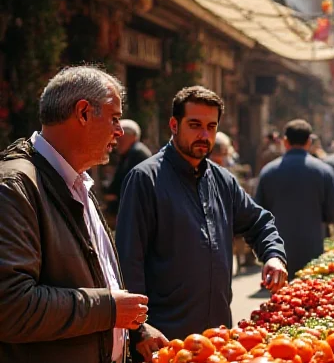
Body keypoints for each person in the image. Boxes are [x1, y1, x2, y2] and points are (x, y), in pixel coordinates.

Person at [0, 66, 157, 363]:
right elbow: (10, 306)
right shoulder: (16, 188)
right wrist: (110, 310)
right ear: (84, 112)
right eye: (115, 118)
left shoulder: (77, 181)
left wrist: (134, 326)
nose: (120, 131)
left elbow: (91, 276)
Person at [117, 86, 288, 344]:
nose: (204, 135)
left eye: (211, 126)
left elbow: (258, 222)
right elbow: (128, 261)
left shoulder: (222, 180)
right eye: (195, 125)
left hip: (218, 337)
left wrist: (273, 256)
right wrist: (139, 329)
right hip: (164, 338)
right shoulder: (145, 180)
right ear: (174, 125)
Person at [255, 119, 334, 278]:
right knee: (309, 293)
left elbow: (258, 213)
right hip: (313, 246)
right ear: (309, 142)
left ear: (285, 141)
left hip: (277, 250)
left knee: (282, 298)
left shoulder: (268, 172)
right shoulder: (324, 171)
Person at [105, 119, 151, 217]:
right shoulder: (128, 154)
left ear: (133, 137)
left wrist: (114, 196)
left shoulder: (137, 153)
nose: (117, 142)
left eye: (121, 138)